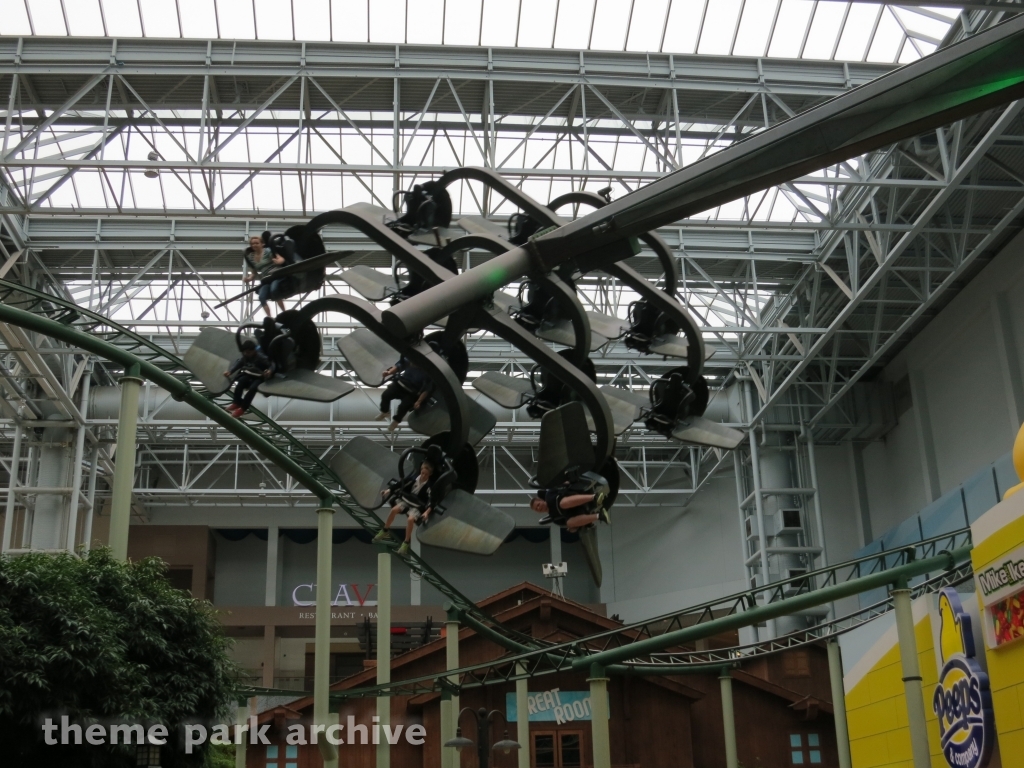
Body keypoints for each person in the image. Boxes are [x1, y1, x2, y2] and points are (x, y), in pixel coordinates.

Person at [373, 460, 435, 555]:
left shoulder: (429, 487)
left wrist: (426, 513)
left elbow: (431, 502)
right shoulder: (413, 479)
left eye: (426, 474)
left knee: (410, 520)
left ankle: (406, 542)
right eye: (422, 473)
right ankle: (385, 530)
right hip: (407, 500)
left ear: (429, 475)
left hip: (417, 506)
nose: (423, 476)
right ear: (420, 471)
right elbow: (399, 484)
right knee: (394, 510)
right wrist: (388, 490)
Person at [375, 358, 433, 433]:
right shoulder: (410, 359)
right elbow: (399, 366)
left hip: (412, 392)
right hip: (400, 384)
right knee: (386, 395)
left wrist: (419, 401)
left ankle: (396, 421)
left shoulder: (429, 372)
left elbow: (426, 389)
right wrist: (389, 372)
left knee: (403, 407)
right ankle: (385, 411)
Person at [222, 339, 274, 417]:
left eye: (248, 352)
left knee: (253, 388)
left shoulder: (261, 357)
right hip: (249, 374)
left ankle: (243, 408)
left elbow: (271, 364)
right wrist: (230, 371)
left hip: (259, 377)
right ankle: (236, 402)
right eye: (245, 352)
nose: (246, 354)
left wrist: (269, 371)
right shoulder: (246, 356)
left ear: (254, 351)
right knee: (240, 383)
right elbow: (239, 363)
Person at [243, 233, 287, 317]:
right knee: (261, 297)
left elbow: (281, 259)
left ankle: (285, 313)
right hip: (266, 279)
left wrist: (278, 261)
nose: (254, 245)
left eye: (256, 243)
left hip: (275, 275)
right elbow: (254, 272)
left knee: (274, 290)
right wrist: (248, 278)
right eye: (252, 244)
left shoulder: (268, 251)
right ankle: (270, 318)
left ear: (262, 244)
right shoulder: (251, 257)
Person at [530, 486, 609, 530]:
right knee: (569, 523)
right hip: (577, 512)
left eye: (538, 505)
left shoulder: (549, 494)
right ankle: (599, 516)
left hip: (572, 496)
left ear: (540, 500)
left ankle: (594, 497)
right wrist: (572, 529)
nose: (539, 508)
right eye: (536, 509)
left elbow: (561, 484)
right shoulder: (554, 518)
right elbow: (571, 526)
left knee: (562, 504)